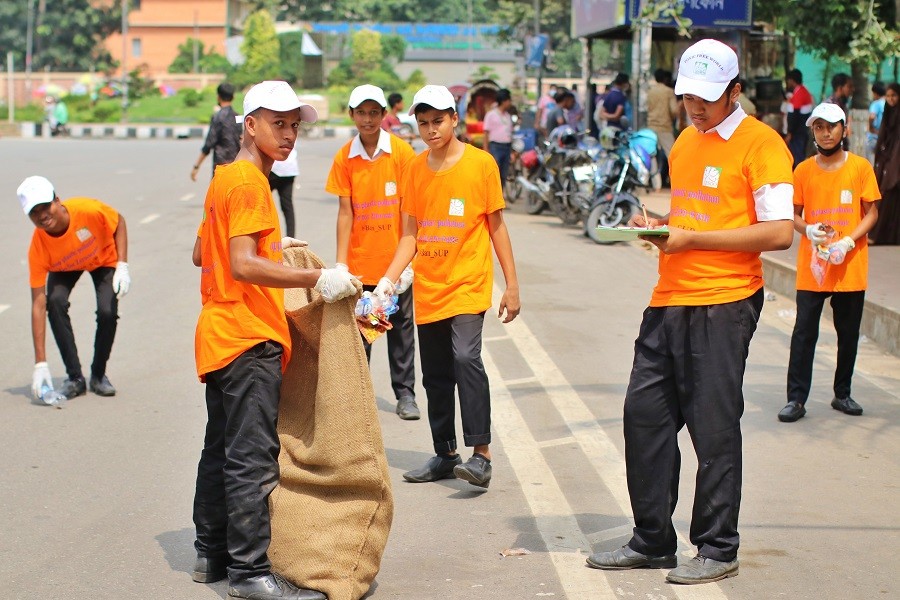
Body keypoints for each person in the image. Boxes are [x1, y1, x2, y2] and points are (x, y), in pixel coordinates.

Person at [586, 39, 795, 584]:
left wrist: (693, 239)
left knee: (713, 428)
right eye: (686, 98)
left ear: (735, 91)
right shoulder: (684, 141)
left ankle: (718, 545)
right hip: (669, 298)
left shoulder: (764, 145)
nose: (695, 108)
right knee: (644, 418)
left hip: (725, 302)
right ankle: (652, 539)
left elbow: (778, 233)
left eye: (706, 98)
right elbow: (691, 217)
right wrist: (656, 228)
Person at [190, 80, 357, 600]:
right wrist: (316, 279)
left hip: (218, 334)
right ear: (250, 124)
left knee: (220, 447)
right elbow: (240, 265)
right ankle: (249, 573)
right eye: (277, 123)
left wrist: (272, 243)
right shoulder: (248, 183)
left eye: (294, 125)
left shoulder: (227, 178)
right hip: (247, 337)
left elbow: (204, 252)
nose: (288, 135)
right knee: (252, 457)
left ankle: (210, 553)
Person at [373, 84, 520, 490]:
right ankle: (445, 453)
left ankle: (482, 455)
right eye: (423, 123)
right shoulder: (414, 170)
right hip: (430, 287)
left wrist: (511, 285)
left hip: (469, 283)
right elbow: (410, 236)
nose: (431, 129)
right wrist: (387, 281)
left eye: (438, 120)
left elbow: (497, 227)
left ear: (455, 119)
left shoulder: (481, 164)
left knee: (465, 358)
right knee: (436, 376)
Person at [778, 103, 880, 423]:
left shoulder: (860, 167)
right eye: (819, 127)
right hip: (815, 265)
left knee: (847, 332)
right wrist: (806, 229)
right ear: (813, 131)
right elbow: (793, 214)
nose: (825, 133)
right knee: (804, 332)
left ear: (844, 129)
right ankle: (796, 399)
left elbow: (873, 212)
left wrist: (849, 240)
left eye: (832, 126)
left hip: (849, 264)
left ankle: (842, 393)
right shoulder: (803, 170)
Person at [326, 84, 420, 420]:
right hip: (360, 262)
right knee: (361, 329)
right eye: (361, 113)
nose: (368, 119)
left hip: (395, 264)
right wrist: (340, 263)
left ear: (384, 115)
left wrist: (407, 263)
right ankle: (359, 395)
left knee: (402, 329)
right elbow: (345, 211)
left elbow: (411, 211)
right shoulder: (345, 157)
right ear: (352, 115)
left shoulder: (401, 153)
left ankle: (406, 394)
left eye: (374, 112)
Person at [19, 175, 130, 401]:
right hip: (65, 265)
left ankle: (98, 375)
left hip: (101, 258)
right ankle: (75, 378)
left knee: (107, 311)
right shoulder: (38, 247)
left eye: (45, 207)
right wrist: (40, 363)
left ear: (57, 201)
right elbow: (38, 305)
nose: (41, 216)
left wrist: (123, 264)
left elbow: (119, 222)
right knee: (55, 302)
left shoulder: (87, 210)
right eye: (34, 212)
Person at [191, 82, 242, 181]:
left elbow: (208, 144)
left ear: (218, 97)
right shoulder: (239, 117)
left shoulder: (217, 117)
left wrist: (196, 166)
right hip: (236, 167)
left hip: (221, 168)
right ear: (233, 97)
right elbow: (242, 140)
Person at [870, 82, 900, 245]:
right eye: (888, 96)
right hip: (887, 158)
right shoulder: (889, 112)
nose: (890, 99)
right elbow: (885, 135)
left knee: (889, 194)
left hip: (896, 160)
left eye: (894, 96)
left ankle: (878, 235)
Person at [646, 69, 678, 187]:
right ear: (665, 79)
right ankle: (677, 183)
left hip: (651, 126)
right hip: (665, 127)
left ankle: (655, 184)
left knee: (651, 155)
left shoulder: (650, 91)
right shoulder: (669, 92)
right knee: (673, 156)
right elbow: (674, 110)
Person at [483, 88, 515, 194]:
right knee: (494, 173)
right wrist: (486, 149)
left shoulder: (508, 116)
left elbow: (510, 133)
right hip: (495, 146)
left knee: (504, 173)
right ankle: (491, 196)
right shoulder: (491, 115)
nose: (510, 103)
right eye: (509, 100)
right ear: (504, 101)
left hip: (507, 147)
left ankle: (500, 197)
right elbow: (486, 133)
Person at [784, 69, 815, 168]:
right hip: (801, 132)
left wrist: (790, 133)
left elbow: (794, 116)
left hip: (798, 134)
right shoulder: (803, 92)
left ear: (792, 80)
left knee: (797, 159)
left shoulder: (800, 94)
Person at [269, 147, 299, 238]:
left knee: (262, 203)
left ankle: (266, 240)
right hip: (289, 168)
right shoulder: (292, 133)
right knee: (287, 207)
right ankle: (291, 239)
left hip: (274, 168)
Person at [867, 82, 886, 164]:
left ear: (875, 93)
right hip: (884, 137)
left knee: (869, 163)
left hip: (873, 137)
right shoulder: (887, 104)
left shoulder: (876, 103)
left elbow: (872, 116)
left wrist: (871, 127)